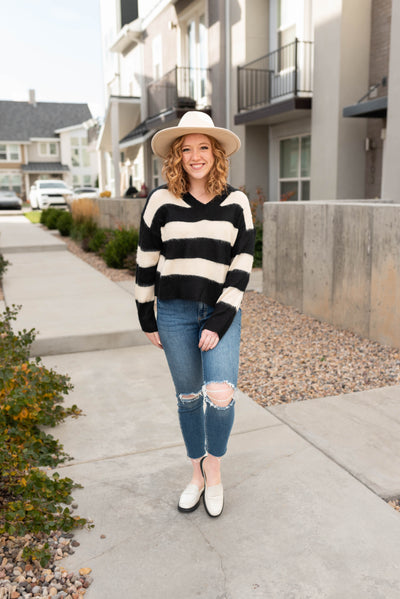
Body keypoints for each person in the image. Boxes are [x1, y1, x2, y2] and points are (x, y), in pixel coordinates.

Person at [135, 111, 255, 517]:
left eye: (203, 147)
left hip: (222, 310)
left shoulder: (237, 202)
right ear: (177, 156)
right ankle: (196, 475)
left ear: (216, 152)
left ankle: (214, 469)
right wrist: (146, 315)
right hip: (174, 312)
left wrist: (222, 317)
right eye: (186, 149)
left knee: (220, 397)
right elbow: (147, 260)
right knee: (189, 399)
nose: (195, 155)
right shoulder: (160, 200)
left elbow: (243, 262)